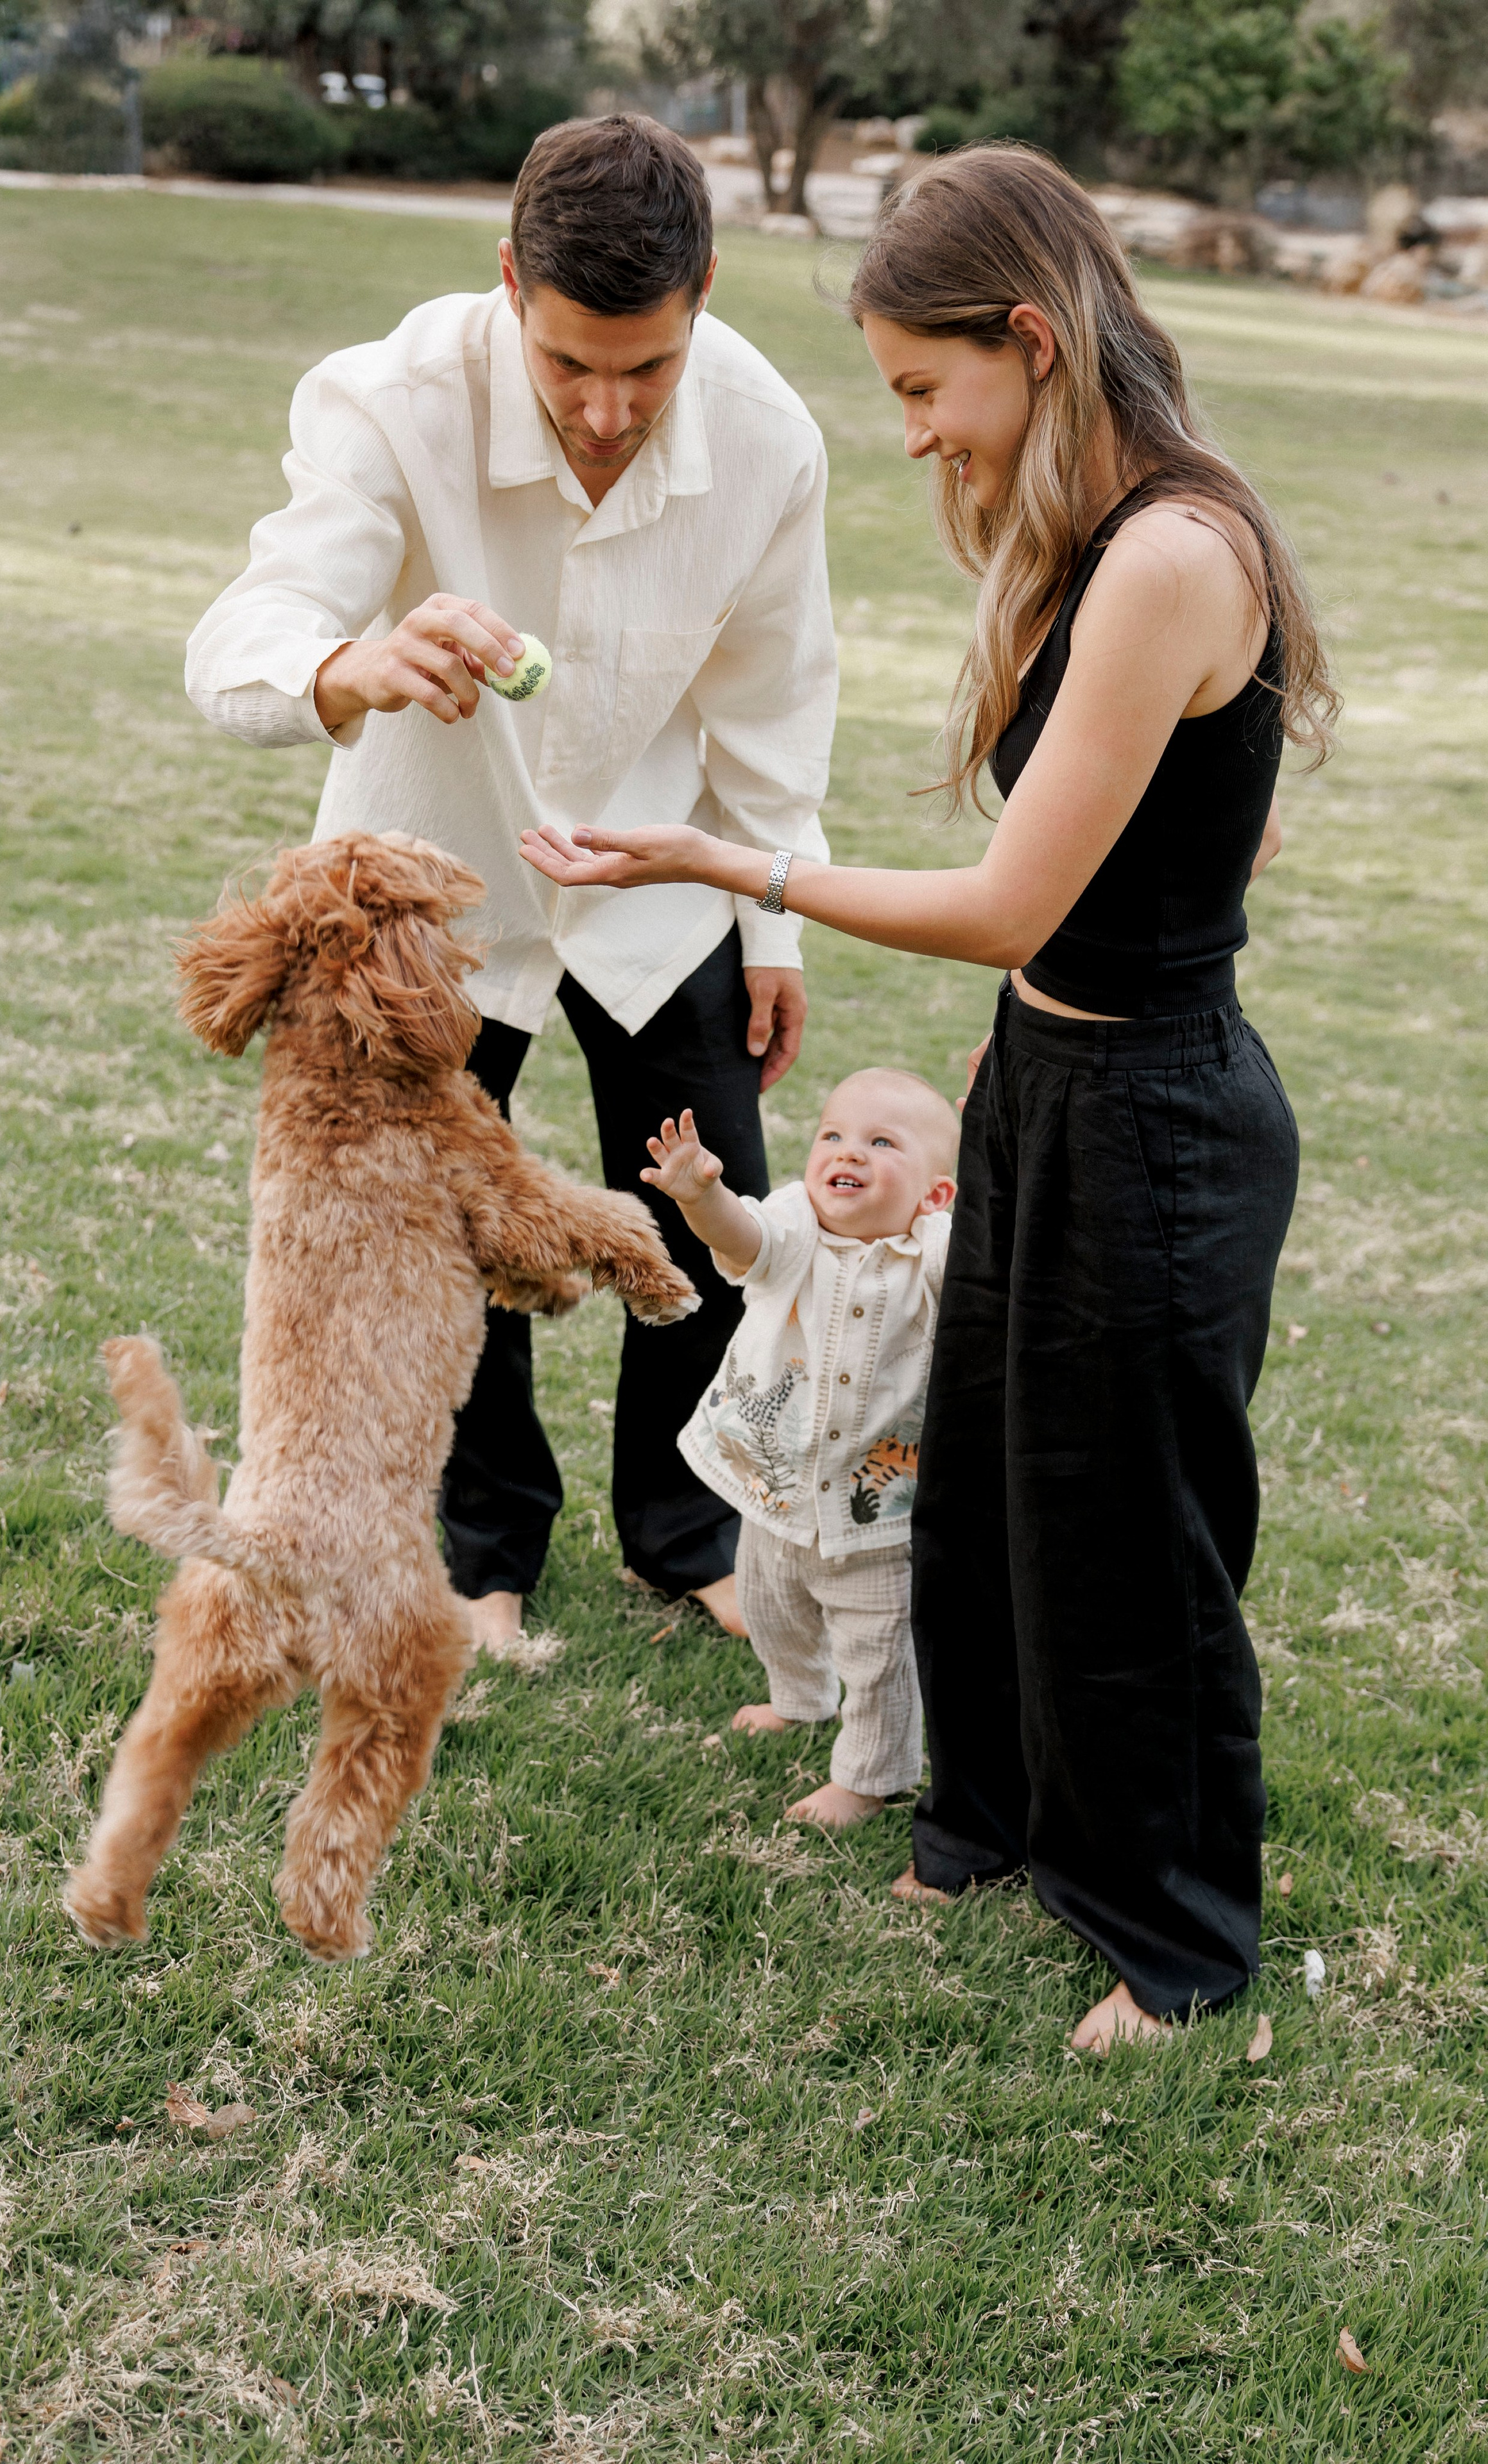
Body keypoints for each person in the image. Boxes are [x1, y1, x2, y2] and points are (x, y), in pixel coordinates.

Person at [520, 144, 1338, 2053]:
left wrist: (729, 866)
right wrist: (1051, 1011)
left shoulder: (1170, 554)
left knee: (1129, 1530)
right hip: (1055, 1073)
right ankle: (984, 1820)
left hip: (1158, 1123)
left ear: (1030, 341)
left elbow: (999, 897)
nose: (905, 437)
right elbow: (1219, 831)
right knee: (974, 1482)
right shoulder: (1111, 539)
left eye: (917, 388)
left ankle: (1177, 1937)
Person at [184, 114, 836, 1653]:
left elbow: (772, 703)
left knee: (703, 1207)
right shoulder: (385, 392)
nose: (607, 411)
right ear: (505, 289)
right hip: (430, 892)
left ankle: (685, 1531)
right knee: (435, 1225)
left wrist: (771, 921)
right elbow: (251, 623)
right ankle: (485, 1545)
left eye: (648, 368)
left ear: (703, 300)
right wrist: (345, 661)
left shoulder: (768, 436)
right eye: (568, 367)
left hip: (659, 871)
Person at [644, 1072, 958, 1827]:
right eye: (834, 1136)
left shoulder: (937, 1254)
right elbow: (740, 1237)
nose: (848, 1153)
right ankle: (798, 1698)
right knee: (771, 1607)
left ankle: (868, 1776)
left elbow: (991, 1268)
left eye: (881, 1144)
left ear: (934, 1195)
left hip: (875, 1508)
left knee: (878, 1652)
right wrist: (699, 1198)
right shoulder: (795, 1223)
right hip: (774, 1486)